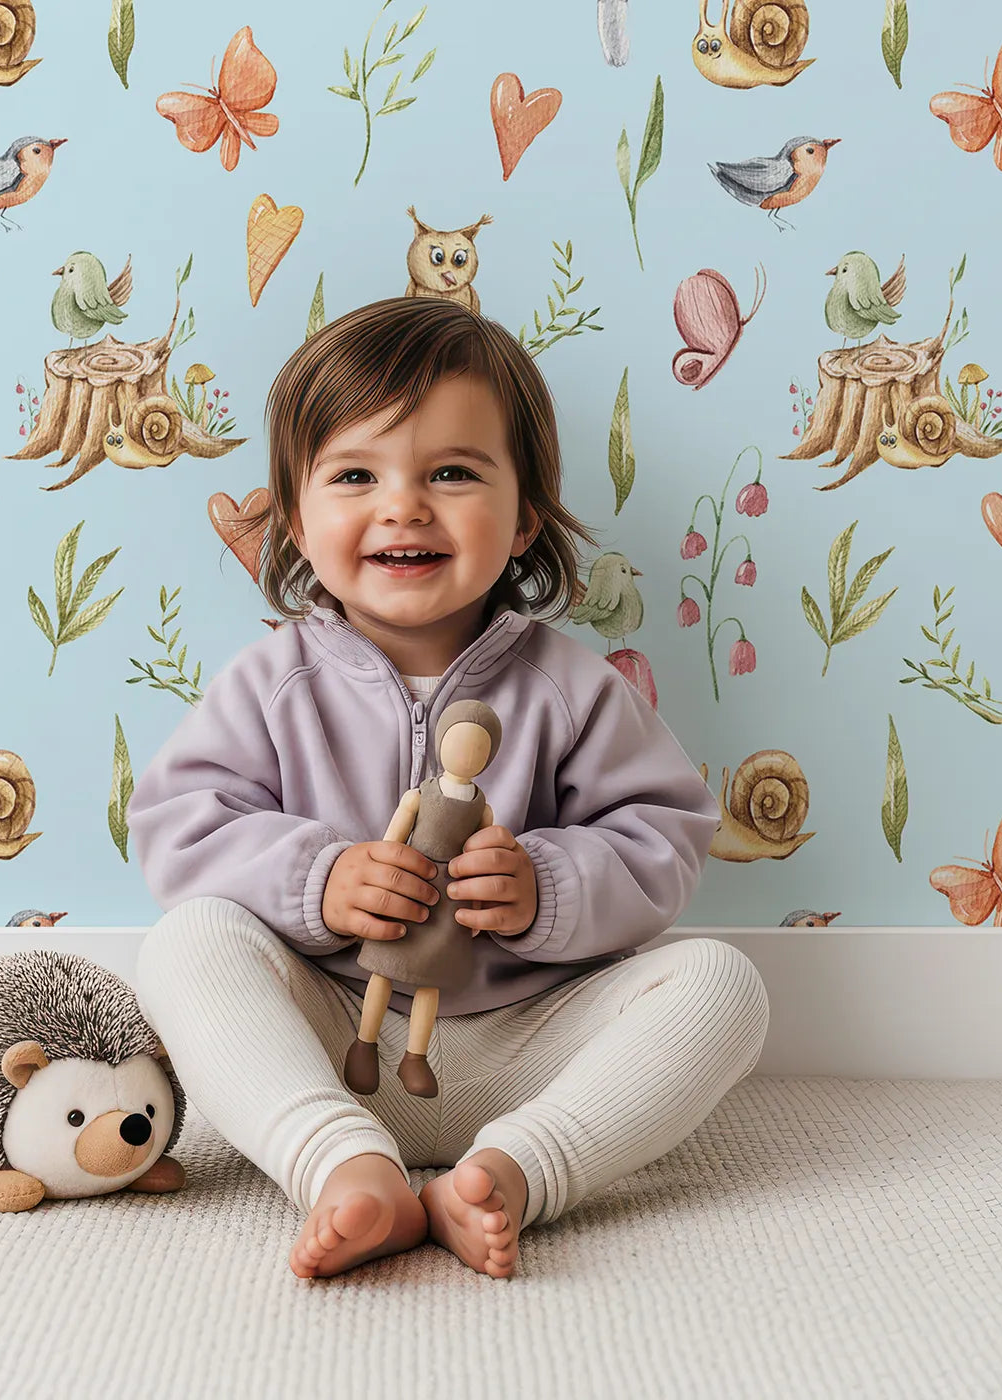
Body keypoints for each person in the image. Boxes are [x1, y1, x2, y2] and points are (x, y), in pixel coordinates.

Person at [129, 295, 769, 1282]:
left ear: (524, 518)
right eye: (355, 475)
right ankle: (343, 1167)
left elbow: (664, 834)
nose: (404, 506)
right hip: (338, 1034)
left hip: (530, 1044)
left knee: (723, 983)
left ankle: (512, 1173)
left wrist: (545, 884)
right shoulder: (271, 682)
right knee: (186, 943)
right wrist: (318, 878)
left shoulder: (570, 687)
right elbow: (180, 827)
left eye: (452, 473)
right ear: (296, 518)